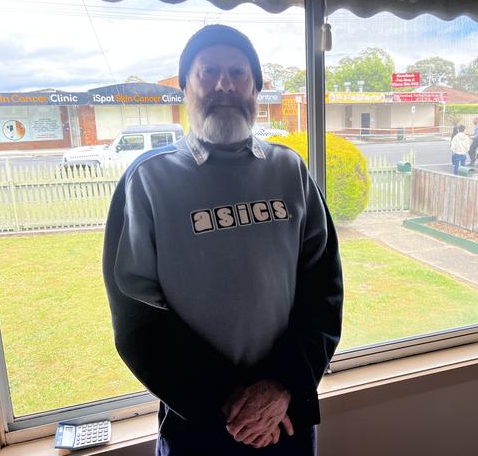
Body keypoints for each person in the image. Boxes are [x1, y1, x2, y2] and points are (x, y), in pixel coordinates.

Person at [102, 24, 343, 455]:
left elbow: (322, 287)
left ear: (255, 89)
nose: (224, 84)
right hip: (200, 421)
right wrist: (230, 404)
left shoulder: (290, 171)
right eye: (207, 72)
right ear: (185, 88)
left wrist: (282, 387)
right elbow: (137, 316)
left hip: (285, 416)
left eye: (238, 72)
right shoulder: (149, 180)